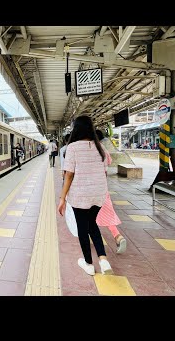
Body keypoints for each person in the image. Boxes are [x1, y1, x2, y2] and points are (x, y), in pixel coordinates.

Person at [57, 116, 113, 276]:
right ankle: (103, 260)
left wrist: (62, 199)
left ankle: (88, 263)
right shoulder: (100, 147)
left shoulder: (72, 148)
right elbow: (105, 170)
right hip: (98, 194)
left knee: (83, 228)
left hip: (80, 195)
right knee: (93, 224)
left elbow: (68, 175)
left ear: (76, 129)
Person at [95, 130, 127, 254]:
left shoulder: (88, 148)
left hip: (89, 188)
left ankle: (91, 239)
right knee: (107, 213)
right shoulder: (102, 148)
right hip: (103, 187)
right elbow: (109, 162)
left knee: (89, 216)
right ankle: (118, 236)